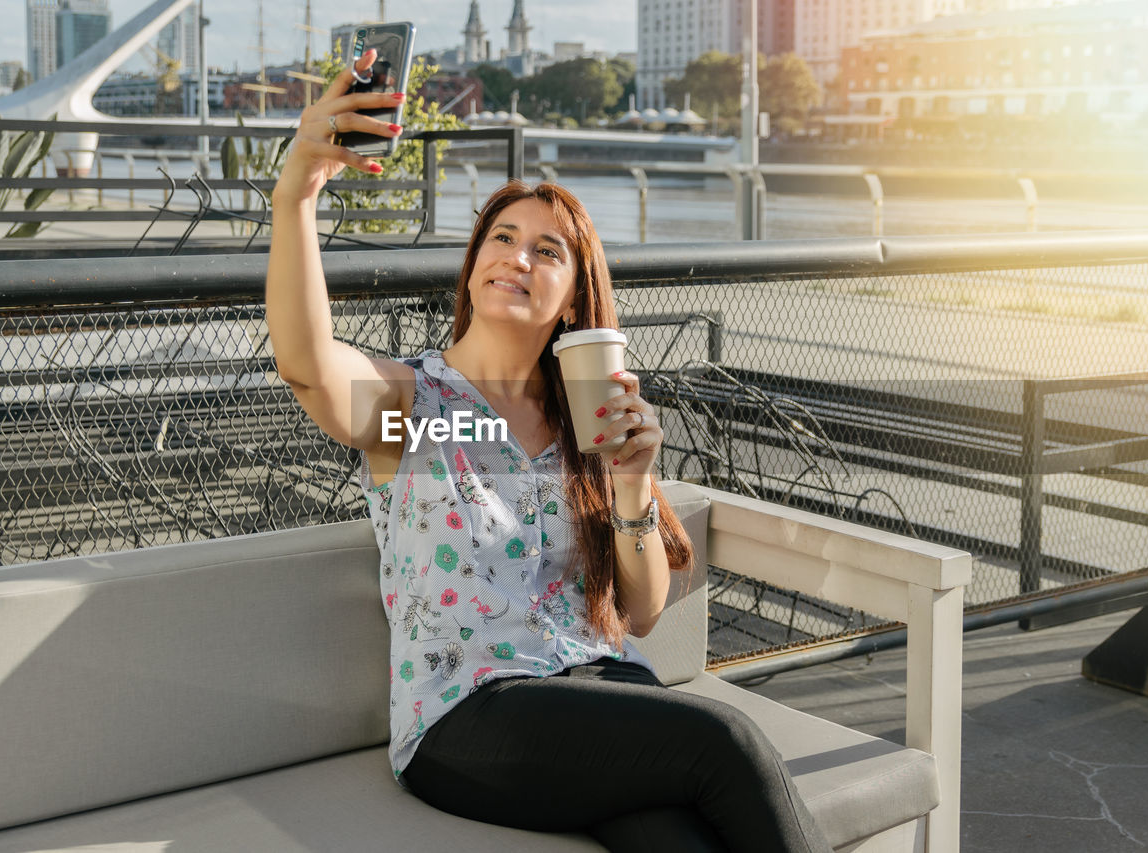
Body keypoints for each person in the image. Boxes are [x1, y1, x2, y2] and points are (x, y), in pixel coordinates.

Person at [265, 49, 833, 853]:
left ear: (572, 300)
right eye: (502, 237)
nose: (517, 257)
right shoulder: (419, 412)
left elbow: (637, 612)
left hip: (598, 688)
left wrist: (632, 485)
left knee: (674, 838)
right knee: (726, 741)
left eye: (546, 250)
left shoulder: (581, 431)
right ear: (471, 271)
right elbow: (309, 365)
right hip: (468, 716)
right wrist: (297, 194)